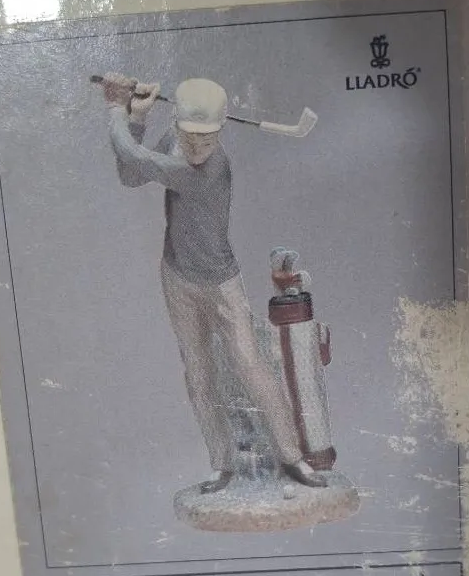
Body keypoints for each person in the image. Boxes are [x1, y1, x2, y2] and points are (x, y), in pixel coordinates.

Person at [103, 73, 323, 491]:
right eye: (190, 136)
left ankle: (293, 458)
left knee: (251, 368)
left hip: (222, 284)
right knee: (199, 373)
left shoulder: (208, 169)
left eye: (206, 138)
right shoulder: (176, 141)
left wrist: (117, 109)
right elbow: (131, 176)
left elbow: (132, 156)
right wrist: (138, 118)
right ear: (178, 125)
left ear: (220, 131)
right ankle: (221, 464)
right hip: (178, 279)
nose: (197, 146)